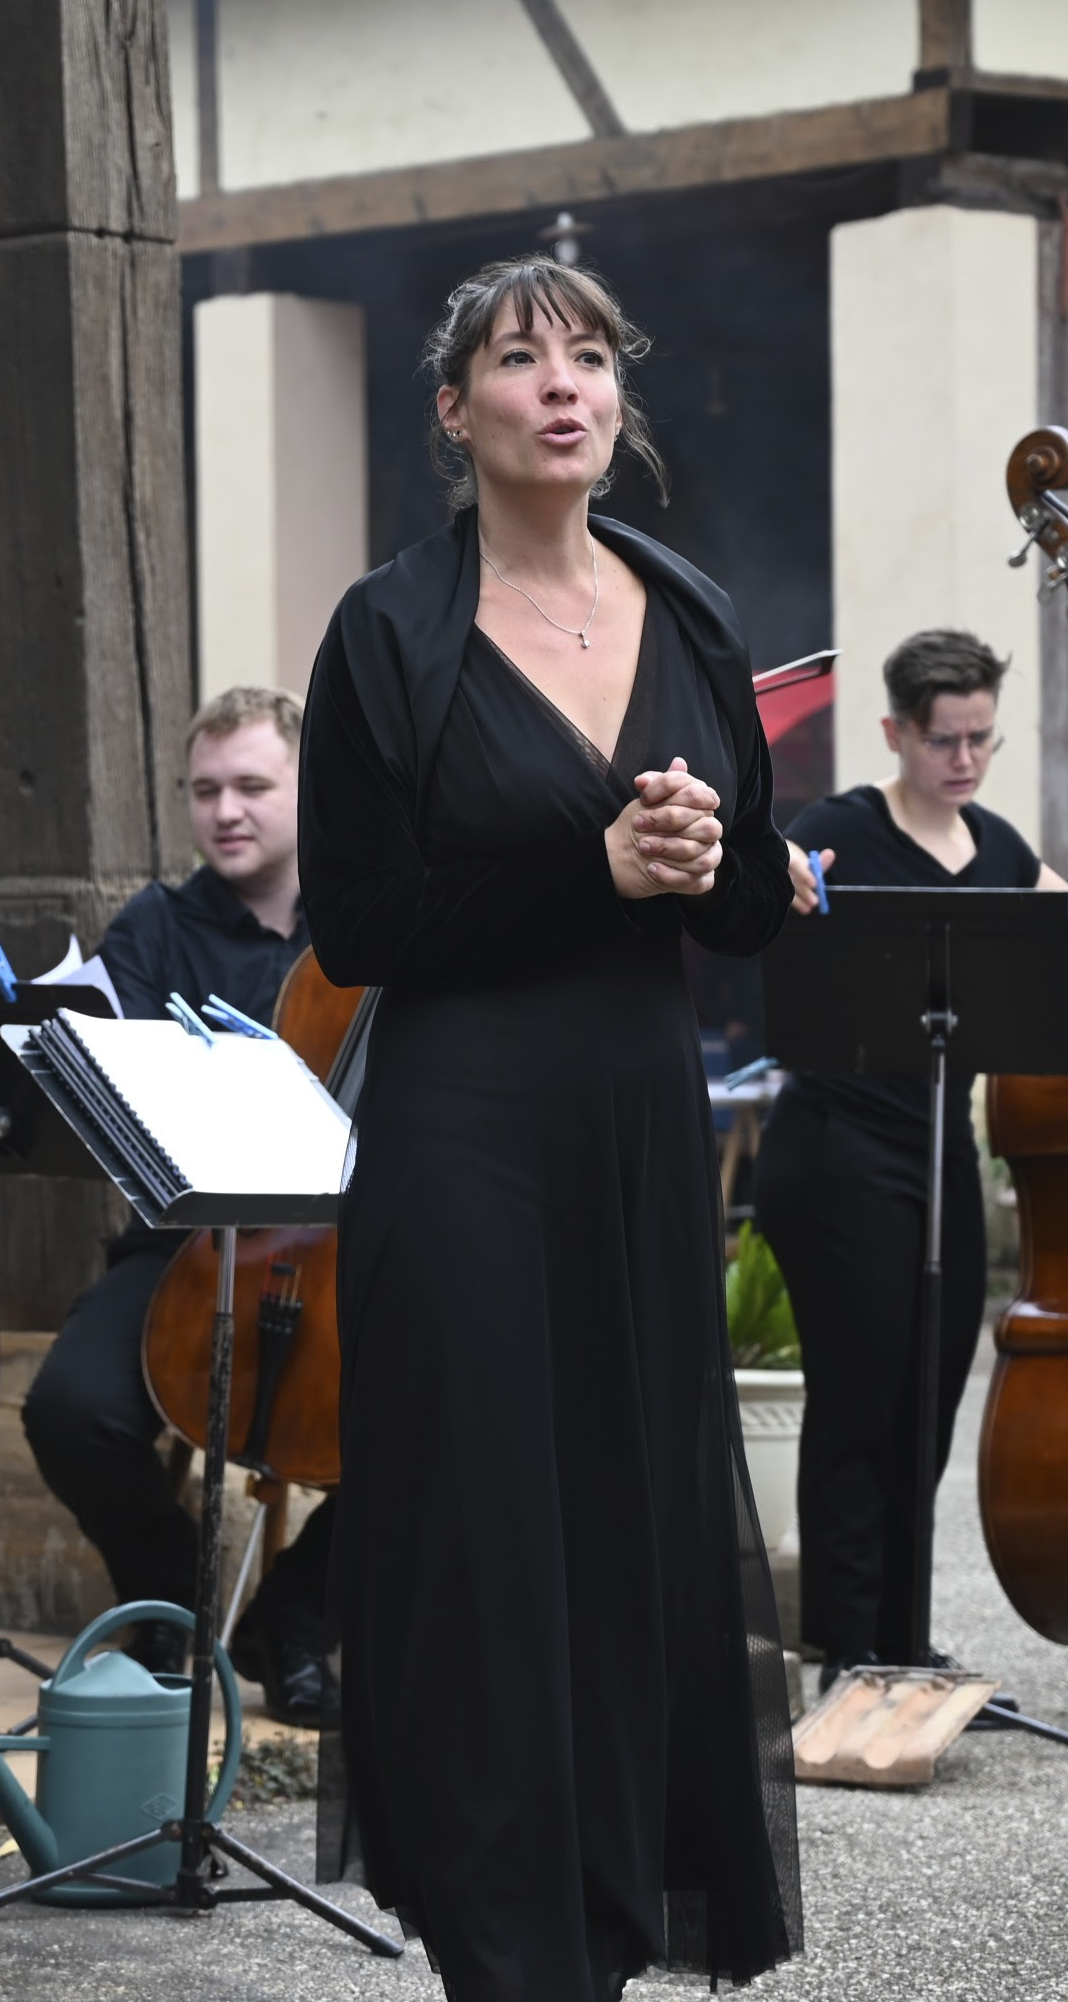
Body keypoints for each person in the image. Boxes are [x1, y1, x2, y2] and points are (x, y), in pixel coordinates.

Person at [299, 256, 800, 1998]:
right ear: (455, 410)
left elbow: (743, 913)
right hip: (459, 1128)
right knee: (479, 1533)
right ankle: (502, 1947)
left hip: (633, 1123)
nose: (562, 385)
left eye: (588, 356)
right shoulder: (388, 626)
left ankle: (606, 1902)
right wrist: (583, 868)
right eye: (519, 360)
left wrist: (712, 860)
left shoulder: (694, 610)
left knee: (628, 1515)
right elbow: (356, 928)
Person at [756, 629, 1068, 1689]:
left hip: (940, 1152)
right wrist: (788, 878)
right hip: (839, 1150)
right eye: (946, 739)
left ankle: (901, 1637)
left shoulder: (990, 845)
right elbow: (775, 902)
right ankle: (849, 1645)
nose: (966, 760)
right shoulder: (838, 827)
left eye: (982, 738)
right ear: (897, 731)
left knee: (929, 1399)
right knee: (861, 1396)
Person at [18, 685, 342, 1726]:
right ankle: (168, 1606)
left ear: (308, 785)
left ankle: (293, 1622)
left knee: (454, 1408)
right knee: (69, 1409)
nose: (226, 810)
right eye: (205, 790)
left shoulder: (372, 918)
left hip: (342, 1247)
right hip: (182, 1244)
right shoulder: (155, 927)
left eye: (253, 784)